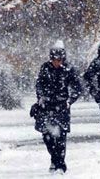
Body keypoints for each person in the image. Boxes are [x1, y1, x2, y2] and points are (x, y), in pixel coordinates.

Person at [31, 40, 82, 173]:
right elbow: (39, 85)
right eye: (54, 59)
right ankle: (54, 159)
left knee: (61, 137)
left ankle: (60, 164)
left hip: (62, 106)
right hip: (47, 106)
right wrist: (41, 98)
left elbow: (77, 87)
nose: (56, 62)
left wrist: (69, 101)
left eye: (59, 59)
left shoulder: (69, 69)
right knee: (47, 136)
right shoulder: (45, 68)